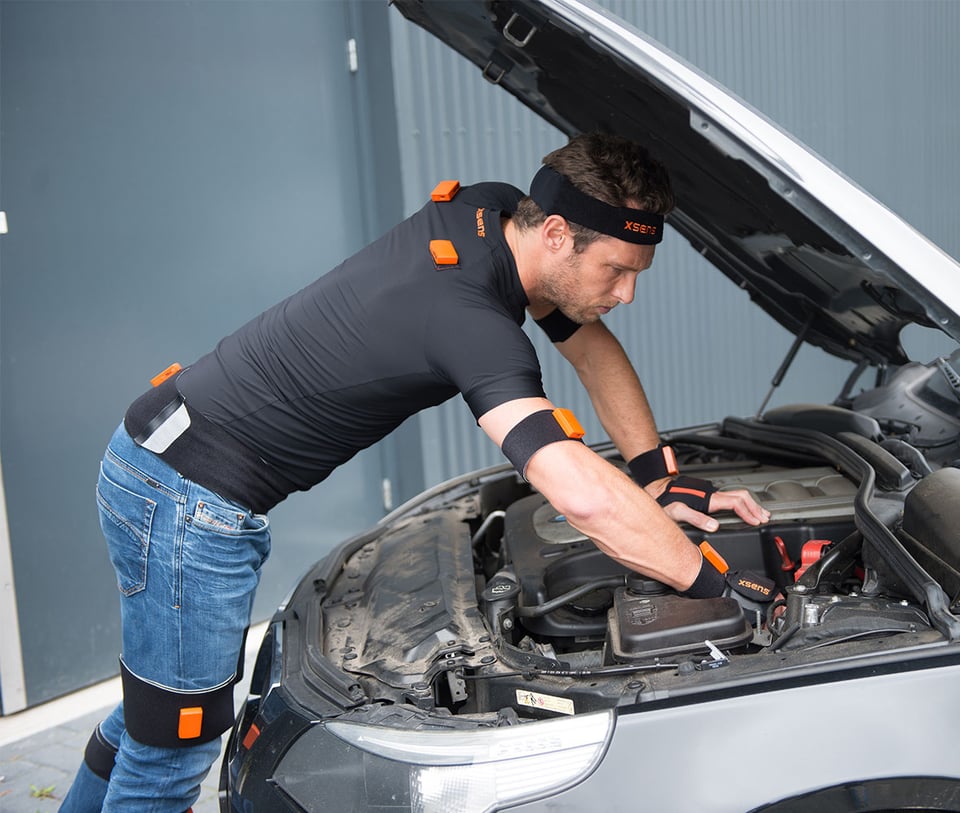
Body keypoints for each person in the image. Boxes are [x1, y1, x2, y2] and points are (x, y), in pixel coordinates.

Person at [60, 132, 770, 812]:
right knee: (174, 748)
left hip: (159, 458)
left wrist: (656, 477)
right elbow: (578, 492)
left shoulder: (491, 212)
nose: (626, 293)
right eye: (615, 271)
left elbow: (592, 350)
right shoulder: (467, 316)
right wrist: (710, 580)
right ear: (555, 233)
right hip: (188, 496)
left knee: (151, 717)